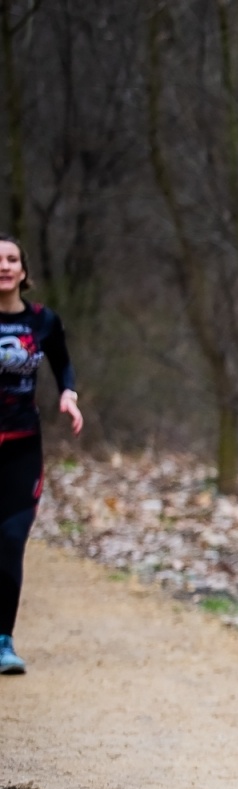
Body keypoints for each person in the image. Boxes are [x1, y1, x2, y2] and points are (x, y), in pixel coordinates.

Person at [0, 234, 82, 675]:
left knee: (10, 541)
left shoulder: (43, 321)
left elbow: (63, 365)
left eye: (12, 259)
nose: (4, 266)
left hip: (22, 447)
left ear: (24, 271)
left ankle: (3, 641)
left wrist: (68, 395)